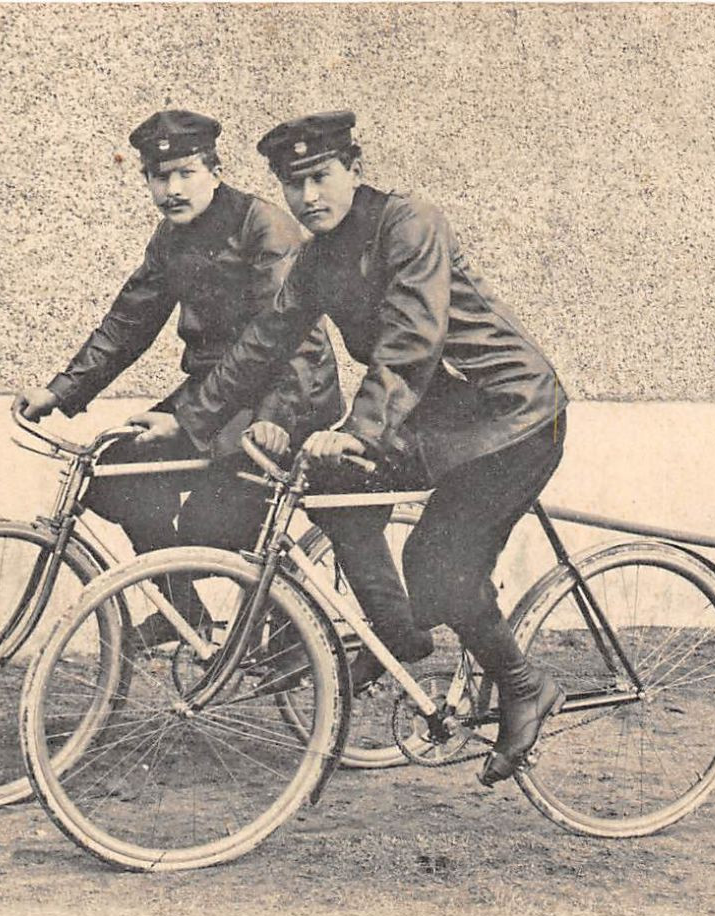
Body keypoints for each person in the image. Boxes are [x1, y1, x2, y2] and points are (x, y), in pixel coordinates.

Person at [143, 111, 569, 786]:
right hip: (436, 419)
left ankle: (523, 685)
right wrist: (189, 418)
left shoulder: (407, 223)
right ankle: (396, 634)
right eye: (293, 184)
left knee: (438, 559)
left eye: (320, 177)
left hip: (509, 417)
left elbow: (410, 340)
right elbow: (264, 341)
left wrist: (359, 431)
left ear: (354, 169)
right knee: (332, 490)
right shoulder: (318, 256)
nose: (308, 197)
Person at [16, 109, 341, 643]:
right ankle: (181, 611)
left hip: (285, 396)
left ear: (214, 170)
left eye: (186, 172)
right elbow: (130, 319)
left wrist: (202, 421)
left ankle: (293, 626)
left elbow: (288, 344)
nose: (172, 188)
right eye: (158, 176)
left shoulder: (265, 226)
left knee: (208, 527)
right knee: (118, 476)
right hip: (216, 396)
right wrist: (60, 390)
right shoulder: (171, 237)